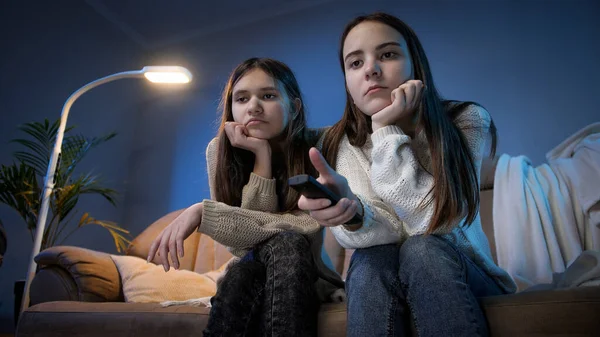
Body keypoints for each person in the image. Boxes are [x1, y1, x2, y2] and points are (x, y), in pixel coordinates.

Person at [298, 12, 517, 336]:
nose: (371, 69)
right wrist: (353, 214)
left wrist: (385, 130)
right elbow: (384, 233)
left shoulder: (466, 119)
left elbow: (433, 222)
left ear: (414, 63)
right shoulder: (340, 142)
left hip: (467, 273)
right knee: (371, 260)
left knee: (422, 249)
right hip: (383, 271)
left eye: (387, 54)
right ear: (346, 80)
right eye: (355, 63)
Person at [147, 57, 343, 337]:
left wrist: (201, 212)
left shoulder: (320, 145)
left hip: (304, 274)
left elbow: (305, 226)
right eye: (241, 98)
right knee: (241, 270)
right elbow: (244, 245)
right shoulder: (219, 151)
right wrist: (260, 157)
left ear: (295, 106)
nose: (253, 106)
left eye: (268, 95)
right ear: (231, 109)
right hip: (253, 272)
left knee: (283, 245)